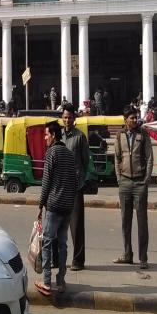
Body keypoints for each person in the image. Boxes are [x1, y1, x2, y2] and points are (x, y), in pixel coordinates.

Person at [35, 121, 77, 296]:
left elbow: (46, 183)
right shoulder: (69, 154)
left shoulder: (51, 153)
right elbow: (75, 182)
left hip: (53, 205)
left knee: (47, 243)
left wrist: (40, 205)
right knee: (62, 244)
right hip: (67, 207)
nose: (45, 138)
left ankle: (46, 281)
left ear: (53, 135)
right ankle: (61, 281)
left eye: (46, 135)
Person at [113, 106, 153, 269]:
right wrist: (119, 178)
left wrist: (146, 180)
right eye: (131, 118)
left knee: (142, 221)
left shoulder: (143, 135)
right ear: (125, 120)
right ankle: (127, 254)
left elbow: (149, 158)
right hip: (125, 182)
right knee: (125, 221)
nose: (135, 120)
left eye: (136, 117)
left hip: (139, 183)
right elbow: (116, 158)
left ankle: (143, 258)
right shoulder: (119, 135)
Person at [61, 104, 89, 271]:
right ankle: (58, 259)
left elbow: (86, 162)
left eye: (70, 117)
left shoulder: (80, 137)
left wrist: (80, 179)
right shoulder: (59, 137)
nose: (67, 120)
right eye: (64, 117)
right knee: (58, 225)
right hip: (60, 187)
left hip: (75, 187)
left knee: (76, 226)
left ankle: (78, 261)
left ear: (74, 118)